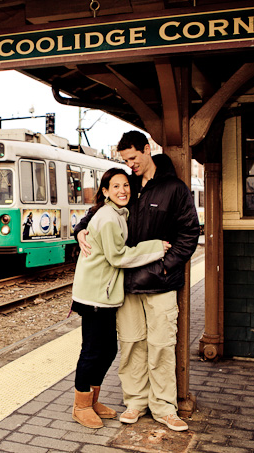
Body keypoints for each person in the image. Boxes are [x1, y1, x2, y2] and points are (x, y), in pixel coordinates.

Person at [75, 131, 200, 432]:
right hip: (126, 286)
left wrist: (165, 268)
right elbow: (98, 211)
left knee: (161, 346)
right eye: (125, 161)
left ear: (147, 150)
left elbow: (189, 235)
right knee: (131, 346)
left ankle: (165, 408)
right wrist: (79, 229)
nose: (130, 165)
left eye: (133, 158)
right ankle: (135, 402)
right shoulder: (127, 184)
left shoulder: (175, 188)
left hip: (161, 283)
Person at [70, 168, 170, 430]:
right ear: (105, 192)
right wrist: (157, 247)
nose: (122, 190)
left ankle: (92, 400)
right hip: (94, 294)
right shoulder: (109, 217)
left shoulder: (116, 213)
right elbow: (119, 257)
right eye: (115, 186)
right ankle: (80, 406)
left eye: (125, 185)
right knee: (92, 351)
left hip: (103, 293)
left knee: (107, 350)